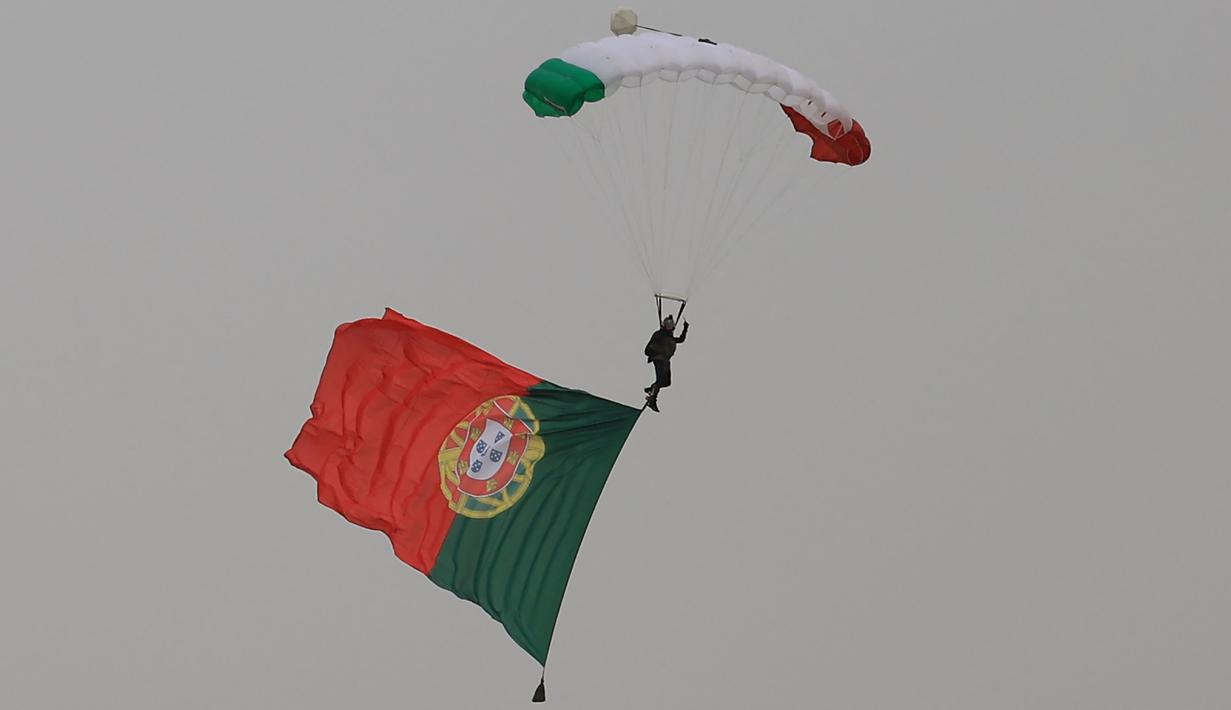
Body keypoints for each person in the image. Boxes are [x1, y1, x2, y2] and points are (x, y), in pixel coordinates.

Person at [643, 315, 689, 412]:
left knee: (666, 382)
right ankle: (652, 399)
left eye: (671, 325)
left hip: (665, 361)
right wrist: (655, 353)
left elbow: (680, 339)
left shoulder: (669, 337)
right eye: (668, 324)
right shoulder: (659, 334)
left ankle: (653, 388)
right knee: (660, 380)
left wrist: (685, 328)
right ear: (664, 325)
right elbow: (647, 350)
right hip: (659, 359)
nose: (670, 326)